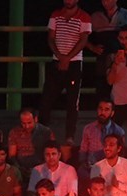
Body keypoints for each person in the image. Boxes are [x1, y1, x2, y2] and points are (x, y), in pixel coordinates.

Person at [38, 0, 92, 144]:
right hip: (57, 61)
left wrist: (67, 58)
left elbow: (83, 40)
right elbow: (50, 38)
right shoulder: (56, 15)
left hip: (74, 63)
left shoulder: (84, 16)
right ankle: (43, 134)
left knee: (72, 102)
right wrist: (60, 57)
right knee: (46, 98)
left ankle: (70, 136)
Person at [86, 0, 127, 101]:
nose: (105, 2)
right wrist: (92, 47)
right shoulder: (95, 16)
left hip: (122, 59)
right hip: (103, 59)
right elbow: (83, 35)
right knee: (102, 89)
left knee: (122, 88)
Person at [78, 98, 125, 182]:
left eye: (106, 110)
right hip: (91, 167)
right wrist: (84, 163)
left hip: (111, 168)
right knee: (81, 172)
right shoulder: (88, 128)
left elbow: (121, 154)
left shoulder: (118, 131)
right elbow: (83, 150)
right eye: (100, 109)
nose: (102, 113)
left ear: (112, 113)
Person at [7, 108, 55, 181]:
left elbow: (52, 152)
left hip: (41, 168)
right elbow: (12, 155)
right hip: (20, 168)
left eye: (29, 123)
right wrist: (19, 169)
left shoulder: (46, 132)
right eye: (23, 123)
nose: (26, 126)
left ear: (35, 119)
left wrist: (38, 169)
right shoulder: (14, 132)